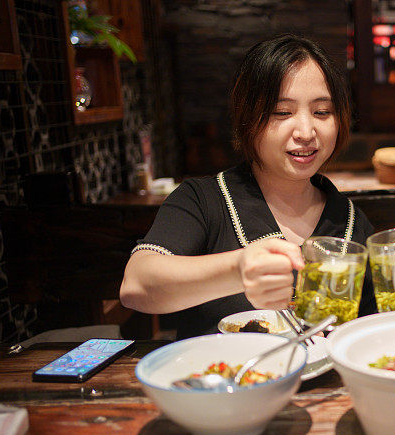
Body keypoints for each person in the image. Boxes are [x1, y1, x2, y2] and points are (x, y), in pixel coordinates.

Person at [120, 35, 376, 339]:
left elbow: (383, 326)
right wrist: (237, 270)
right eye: (282, 112)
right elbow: (135, 286)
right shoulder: (205, 200)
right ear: (248, 117)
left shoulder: (349, 220)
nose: (306, 132)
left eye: (322, 112)